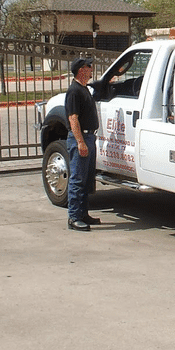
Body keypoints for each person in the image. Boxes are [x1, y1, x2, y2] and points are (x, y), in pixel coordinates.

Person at [65, 57, 100, 231]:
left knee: (86, 180)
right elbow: (73, 118)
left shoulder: (84, 89)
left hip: (89, 138)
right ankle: (74, 217)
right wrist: (80, 142)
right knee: (77, 179)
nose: (91, 69)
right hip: (81, 139)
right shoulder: (74, 91)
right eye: (88, 67)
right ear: (81, 70)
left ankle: (83, 213)